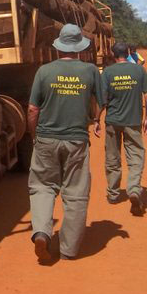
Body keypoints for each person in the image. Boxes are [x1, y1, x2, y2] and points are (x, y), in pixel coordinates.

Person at [27, 24, 104, 263]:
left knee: (42, 186)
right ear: (79, 48)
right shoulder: (90, 71)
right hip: (76, 141)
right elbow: (101, 102)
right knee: (76, 193)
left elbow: (32, 109)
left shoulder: (44, 71)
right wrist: (96, 120)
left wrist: (34, 136)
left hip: (46, 139)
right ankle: (69, 249)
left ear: (59, 47)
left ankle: (41, 232)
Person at [99, 42, 147, 215]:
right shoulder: (138, 70)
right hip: (133, 121)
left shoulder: (107, 72)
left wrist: (96, 118)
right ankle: (134, 189)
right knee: (136, 156)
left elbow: (102, 99)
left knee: (112, 157)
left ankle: (113, 194)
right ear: (128, 53)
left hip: (113, 122)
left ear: (113, 55)